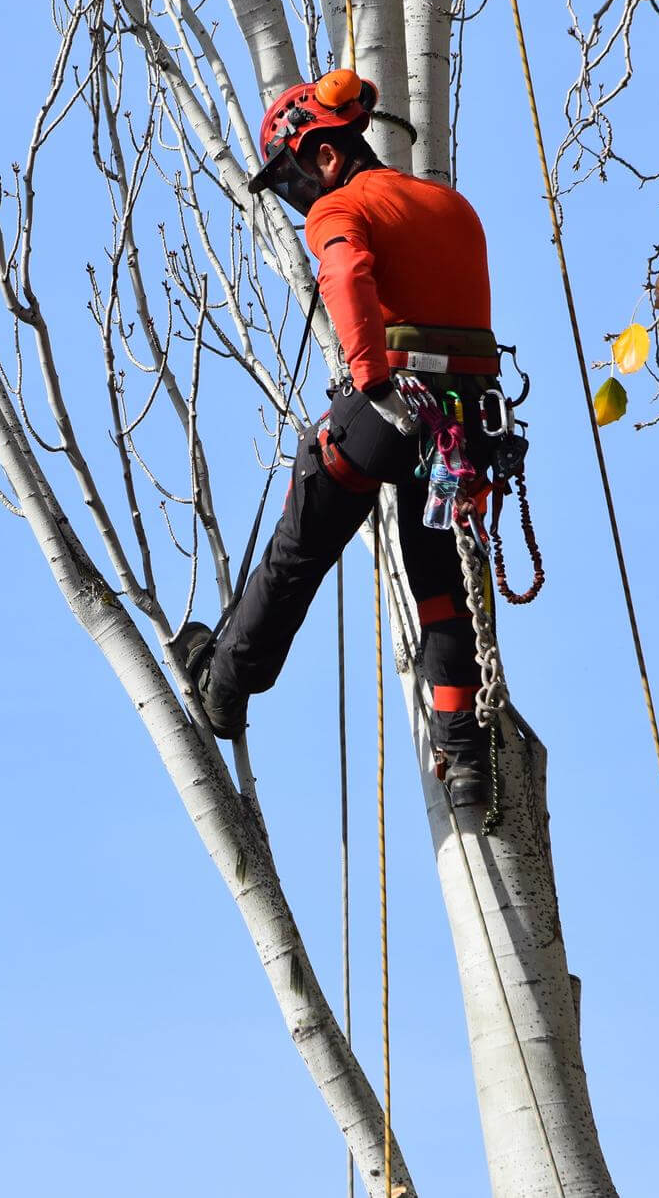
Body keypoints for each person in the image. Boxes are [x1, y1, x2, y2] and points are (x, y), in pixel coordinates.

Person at [170, 68, 502, 807]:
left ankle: (224, 684)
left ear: (324, 154)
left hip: (397, 404)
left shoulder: (342, 206)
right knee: (442, 586)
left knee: (303, 540)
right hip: (469, 423)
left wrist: (371, 378)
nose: (296, 200)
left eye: (292, 178)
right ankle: (467, 753)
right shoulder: (454, 206)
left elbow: (347, 271)